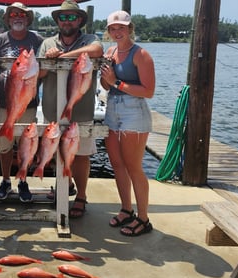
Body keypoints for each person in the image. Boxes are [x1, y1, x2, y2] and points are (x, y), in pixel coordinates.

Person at [38, 0, 103, 218]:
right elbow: (39, 75)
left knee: (82, 155)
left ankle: (81, 195)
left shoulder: (89, 39)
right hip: (52, 111)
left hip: (81, 112)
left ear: (80, 20)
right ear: (57, 20)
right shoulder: (47, 43)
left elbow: (97, 50)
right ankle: (62, 187)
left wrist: (62, 58)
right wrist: (48, 60)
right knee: (58, 153)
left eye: (72, 17)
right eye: (63, 17)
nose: (67, 21)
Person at [100, 10, 155, 236]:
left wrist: (117, 82)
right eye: (113, 28)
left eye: (121, 27)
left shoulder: (141, 54)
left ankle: (144, 218)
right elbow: (105, 87)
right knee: (117, 163)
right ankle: (126, 209)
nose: (117, 31)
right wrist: (106, 79)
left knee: (133, 166)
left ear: (130, 28)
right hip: (112, 109)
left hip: (135, 112)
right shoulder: (110, 51)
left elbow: (149, 91)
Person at [0, 2, 44, 203]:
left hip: (29, 104)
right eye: (13, 14)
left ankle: (23, 180)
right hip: (5, 104)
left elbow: (46, 65)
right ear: (8, 18)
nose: (18, 17)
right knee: (4, 146)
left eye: (22, 14)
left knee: (26, 144)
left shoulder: (38, 40)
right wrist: (6, 87)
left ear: (28, 18)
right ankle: (5, 180)